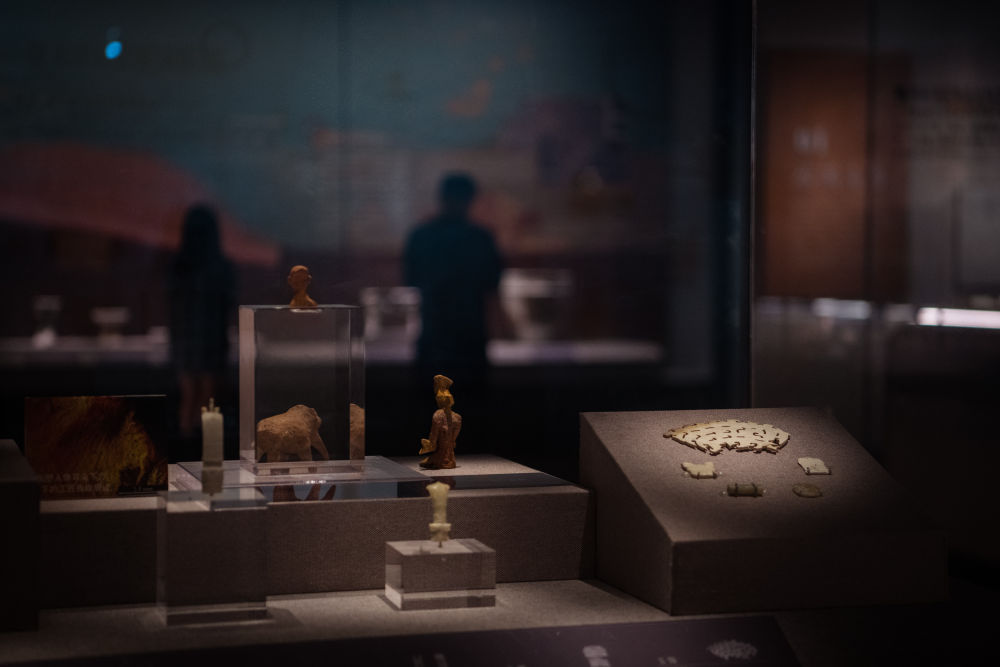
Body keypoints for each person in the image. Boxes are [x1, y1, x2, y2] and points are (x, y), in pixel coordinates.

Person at [404, 173, 503, 388]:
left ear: (441, 197)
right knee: (471, 400)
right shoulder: (481, 238)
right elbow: (492, 283)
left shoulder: (421, 236)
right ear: (470, 199)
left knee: (431, 401)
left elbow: (410, 279)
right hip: (470, 335)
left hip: (435, 334)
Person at [168, 205, 236, 442]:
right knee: (204, 399)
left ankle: (194, 444)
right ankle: (202, 446)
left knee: (194, 398)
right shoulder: (218, 267)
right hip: (206, 340)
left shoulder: (180, 266)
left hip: (193, 340)